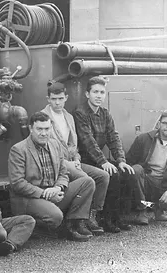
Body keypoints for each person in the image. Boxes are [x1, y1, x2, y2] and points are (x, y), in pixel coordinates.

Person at [8, 112, 95, 242]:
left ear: (51, 128)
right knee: (55, 216)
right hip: (30, 198)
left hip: (53, 192)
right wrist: (44, 193)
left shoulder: (55, 145)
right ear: (31, 129)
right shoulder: (19, 150)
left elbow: (63, 172)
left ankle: (72, 225)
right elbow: (17, 183)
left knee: (87, 182)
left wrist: (58, 188)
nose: (44, 133)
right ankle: (38, 228)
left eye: (47, 129)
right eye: (39, 129)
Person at [41, 82, 108, 236]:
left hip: (71, 161)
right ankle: (75, 221)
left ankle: (91, 216)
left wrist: (77, 158)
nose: (57, 102)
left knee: (102, 176)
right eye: (53, 99)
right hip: (54, 163)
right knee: (86, 180)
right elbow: (45, 148)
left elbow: (73, 143)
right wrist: (69, 163)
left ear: (66, 98)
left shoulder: (68, 117)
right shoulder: (43, 118)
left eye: (60, 98)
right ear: (48, 99)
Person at [73, 76, 135, 233]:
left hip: (98, 160)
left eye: (102, 92)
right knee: (112, 176)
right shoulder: (80, 113)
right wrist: (103, 162)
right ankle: (106, 219)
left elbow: (113, 137)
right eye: (95, 92)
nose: (99, 96)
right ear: (87, 94)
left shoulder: (105, 114)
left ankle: (118, 217)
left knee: (126, 173)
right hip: (85, 159)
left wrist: (120, 160)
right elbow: (88, 141)